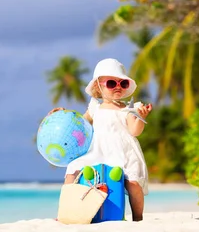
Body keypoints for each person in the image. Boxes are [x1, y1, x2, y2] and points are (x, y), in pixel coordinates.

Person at [48, 58, 152, 221]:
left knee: (134, 184)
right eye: (111, 83)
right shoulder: (95, 108)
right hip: (98, 150)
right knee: (73, 169)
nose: (118, 87)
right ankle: (66, 211)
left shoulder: (129, 109)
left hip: (123, 152)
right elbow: (79, 125)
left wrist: (140, 117)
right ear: (98, 86)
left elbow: (134, 131)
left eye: (122, 83)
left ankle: (138, 217)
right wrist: (62, 115)